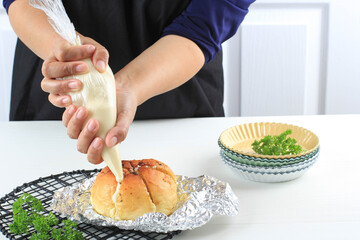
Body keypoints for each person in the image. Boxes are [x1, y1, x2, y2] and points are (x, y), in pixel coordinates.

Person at [4, 0, 255, 164]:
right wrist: (61, 46)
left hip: (179, 94)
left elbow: (208, 19)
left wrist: (128, 88)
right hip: (63, 95)